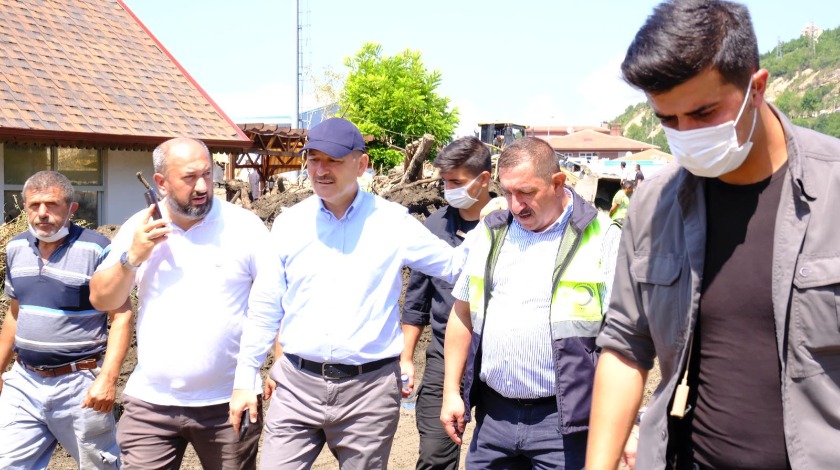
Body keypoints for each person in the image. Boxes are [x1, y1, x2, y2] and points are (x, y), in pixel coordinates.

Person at [586, 1, 840, 469]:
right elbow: (625, 344)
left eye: (704, 113)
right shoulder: (653, 206)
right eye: (668, 120)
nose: (686, 134)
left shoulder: (834, 190)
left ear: (757, 88)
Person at [229, 117, 469, 469]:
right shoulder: (289, 224)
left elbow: (453, 266)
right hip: (296, 385)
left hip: (368, 393)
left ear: (362, 164)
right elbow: (266, 306)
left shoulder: (392, 222)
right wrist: (245, 376)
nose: (321, 170)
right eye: (313, 159)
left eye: (334, 161)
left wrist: (491, 225)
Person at [89, 137, 268, 469]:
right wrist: (133, 258)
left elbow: (275, 301)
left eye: (207, 174)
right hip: (151, 404)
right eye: (189, 177)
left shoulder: (245, 228)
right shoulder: (139, 228)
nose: (201, 186)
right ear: (161, 182)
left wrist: (273, 371)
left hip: (228, 403)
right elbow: (102, 299)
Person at [441, 137, 612, 469]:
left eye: (527, 192)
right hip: (494, 420)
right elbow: (462, 315)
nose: (516, 204)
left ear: (558, 182)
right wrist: (451, 391)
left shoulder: (602, 237)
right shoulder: (490, 233)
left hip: (563, 425)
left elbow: (626, 339)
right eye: (507, 193)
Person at [0, 171, 132, 469]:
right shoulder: (15, 248)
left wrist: (108, 380)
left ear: (72, 208)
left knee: (99, 465)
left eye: (52, 204)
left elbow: (121, 315)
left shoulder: (97, 249)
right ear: (25, 207)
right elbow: (14, 314)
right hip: (24, 380)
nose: (42, 213)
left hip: (80, 384)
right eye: (34, 205)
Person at [402, 136, 495, 470]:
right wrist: (406, 357)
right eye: (444, 181)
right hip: (443, 355)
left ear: (483, 179)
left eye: (456, 181)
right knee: (434, 455)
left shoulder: (511, 224)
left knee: (498, 456)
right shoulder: (434, 226)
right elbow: (417, 300)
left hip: (497, 357)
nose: (448, 188)